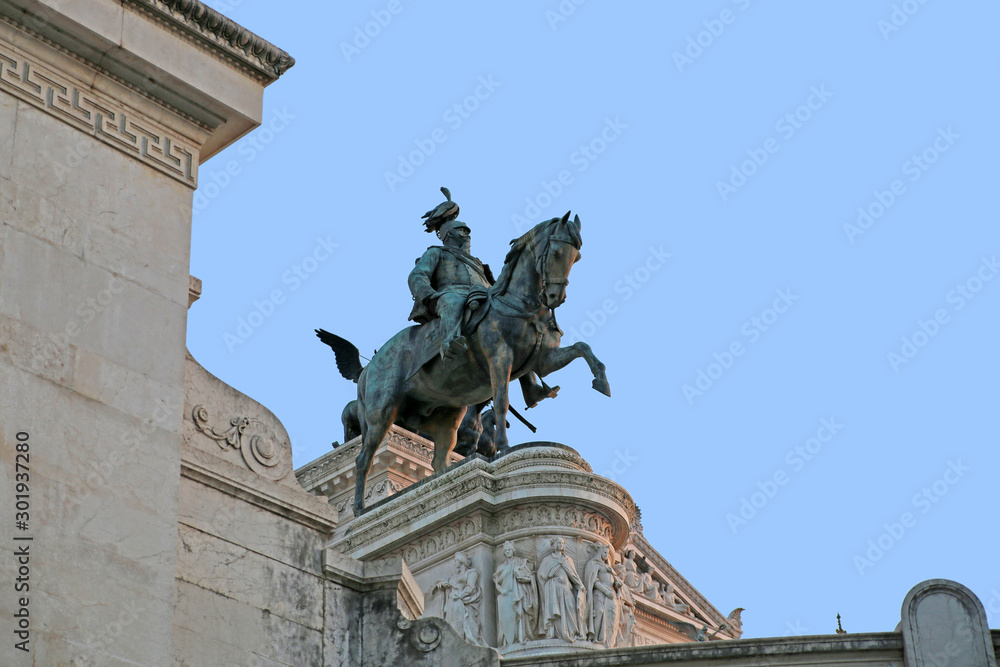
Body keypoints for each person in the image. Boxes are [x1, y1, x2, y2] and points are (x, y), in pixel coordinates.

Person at [408, 187, 559, 408]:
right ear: (449, 234)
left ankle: (531, 388)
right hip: (450, 294)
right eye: (462, 232)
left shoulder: (478, 262)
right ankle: (450, 344)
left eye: (468, 232)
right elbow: (417, 275)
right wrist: (429, 295)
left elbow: (494, 285)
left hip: (482, 297)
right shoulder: (436, 253)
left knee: (515, 325)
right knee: (452, 302)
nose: (467, 235)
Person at [536, 537, 584, 641]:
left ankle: (570, 632)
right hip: (552, 588)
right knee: (555, 610)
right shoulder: (548, 560)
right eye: (558, 542)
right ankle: (554, 632)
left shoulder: (567, 559)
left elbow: (573, 574)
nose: (560, 544)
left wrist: (579, 584)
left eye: (562, 543)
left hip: (565, 587)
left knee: (570, 607)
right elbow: (540, 575)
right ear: (553, 545)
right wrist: (551, 578)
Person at [433, 551, 485, 645]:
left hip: (461, 602)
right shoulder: (454, 576)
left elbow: (471, 587)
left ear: (462, 561)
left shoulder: (472, 573)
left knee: (461, 626)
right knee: (451, 626)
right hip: (451, 603)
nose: (454, 563)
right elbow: (449, 585)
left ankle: (463, 645)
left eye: (456, 560)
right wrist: (443, 585)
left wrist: (460, 596)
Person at [493, 540, 538, 648]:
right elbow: (497, 583)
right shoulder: (501, 567)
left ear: (513, 551)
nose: (508, 552)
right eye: (506, 550)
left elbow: (530, 576)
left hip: (519, 593)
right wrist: (501, 590)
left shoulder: (520, 562)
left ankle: (521, 637)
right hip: (506, 595)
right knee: (507, 619)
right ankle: (509, 642)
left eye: (509, 550)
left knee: (520, 615)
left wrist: (527, 579)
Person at [583, 543, 620, 647]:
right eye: (604, 552)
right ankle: (595, 637)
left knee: (610, 616)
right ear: (599, 552)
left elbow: (615, 581)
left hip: (610, 594)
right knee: (599, 612)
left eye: (607, 553)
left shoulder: (608, 567)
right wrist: (605, 591)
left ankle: (607, 640)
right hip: (600, 593)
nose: (606, 555)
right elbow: (593, 581)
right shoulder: (594, 564)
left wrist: (617, 584)